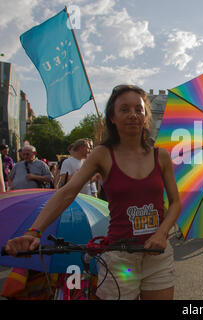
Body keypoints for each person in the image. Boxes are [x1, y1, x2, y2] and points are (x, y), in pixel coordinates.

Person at [5, 84, 182, 300]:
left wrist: (162, 233)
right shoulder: (102, 155)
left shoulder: (161, 156)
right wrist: (34, 232)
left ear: (146, 115)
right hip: (119, 256)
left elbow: (174, 203)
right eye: (124, 109)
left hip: (157, 256)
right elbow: (67, 192)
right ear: (112, 117)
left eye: (138, 109)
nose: (133, 115)